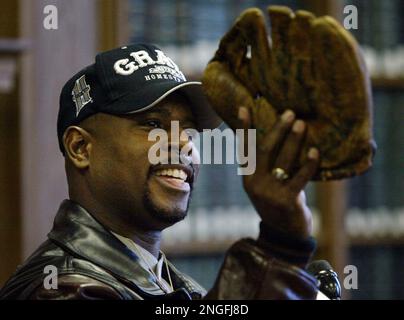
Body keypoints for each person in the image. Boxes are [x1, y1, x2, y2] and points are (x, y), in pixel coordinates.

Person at [0, 44, 320, 300]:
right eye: (154, 124)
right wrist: (280, 247)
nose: (184, 143)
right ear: (81, 148)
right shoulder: (61, 288)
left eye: (190, 130)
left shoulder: (171, 284)